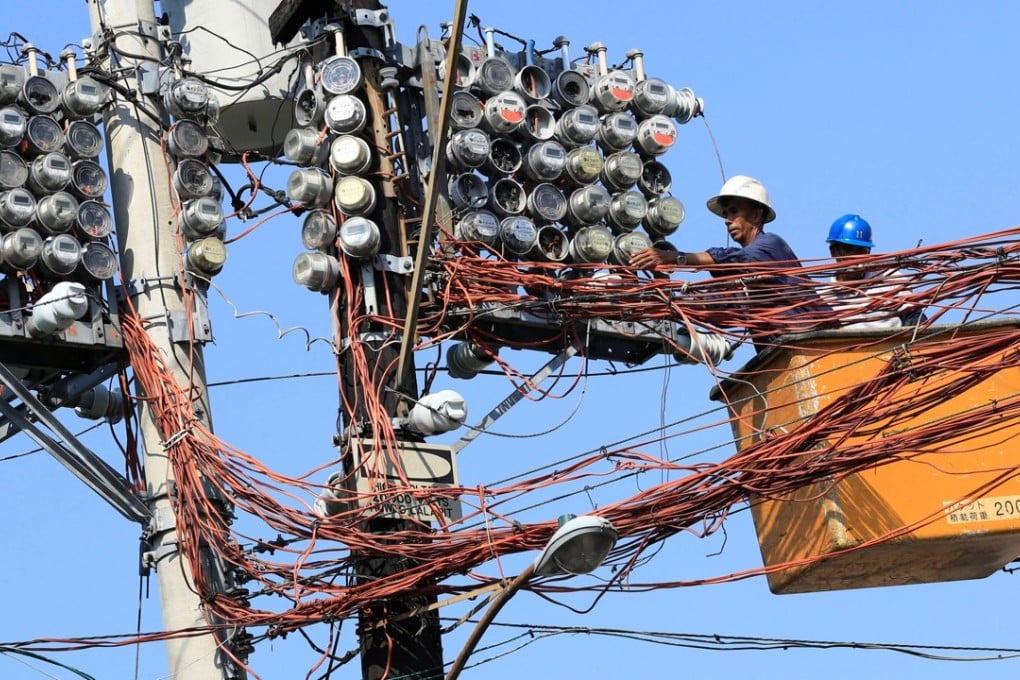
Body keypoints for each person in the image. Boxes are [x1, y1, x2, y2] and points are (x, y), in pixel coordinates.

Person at [629, 175, 828, 349]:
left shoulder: (770, 246)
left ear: (756, 214)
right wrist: (662, 296)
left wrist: (675, 258)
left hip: (822, 344)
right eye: (725, 214)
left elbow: (735, 259)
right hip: (789, 353)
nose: (727, 220)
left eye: (734, 212)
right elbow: (714, 307)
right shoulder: (743, 284)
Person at [823, 214, 925, 329]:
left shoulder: (890, 280)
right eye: (849, 249)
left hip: (893, 345)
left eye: (861, 250)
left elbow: (916, 320)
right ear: (833, 252)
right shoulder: (823, 298)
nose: (856, 257)